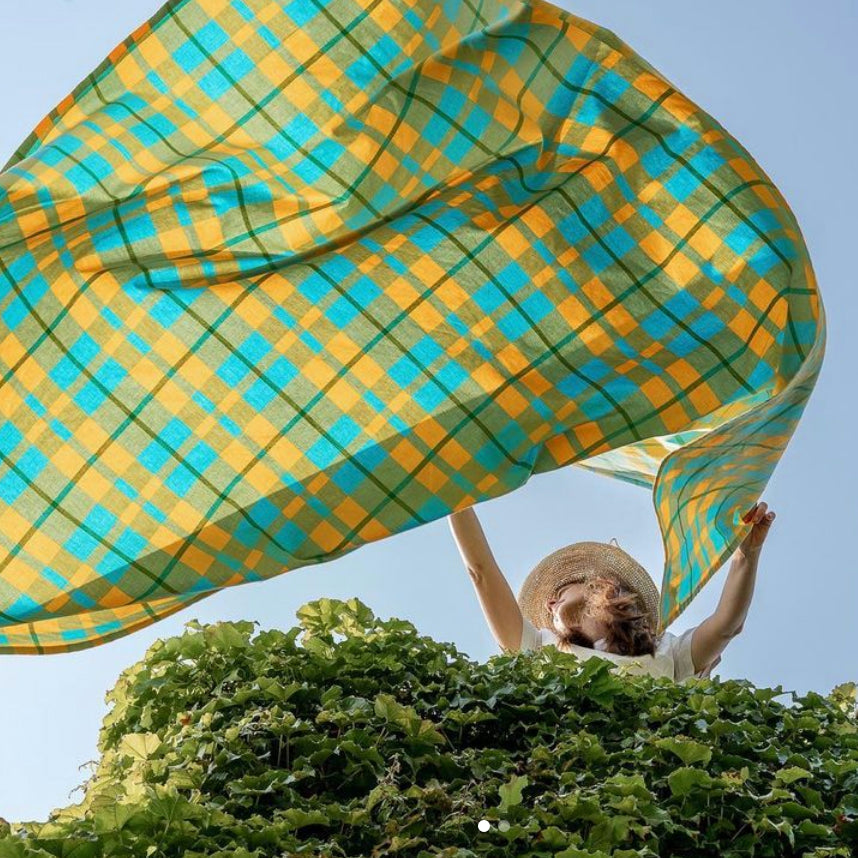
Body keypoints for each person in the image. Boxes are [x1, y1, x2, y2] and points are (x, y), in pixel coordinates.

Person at [447, 502, 776, 682]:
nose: (549, 603)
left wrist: (746, 552)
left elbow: (727, 624)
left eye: (561, 589)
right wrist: (456, 495)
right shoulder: (536, 646)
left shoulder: (667, 652)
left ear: (600, 587)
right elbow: (482, 573)